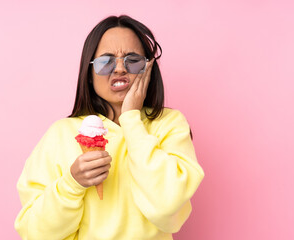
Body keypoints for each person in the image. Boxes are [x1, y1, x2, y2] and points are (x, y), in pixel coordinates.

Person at [14, 15, 205, 240]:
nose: (120, 69)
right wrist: (72, 184)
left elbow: (168, 208)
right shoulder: (61, 134)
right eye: (106, 62)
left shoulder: (169, 124)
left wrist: (131, 118)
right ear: (89, 74)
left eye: (133, 60)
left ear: (148, 69)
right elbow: (34, 232)